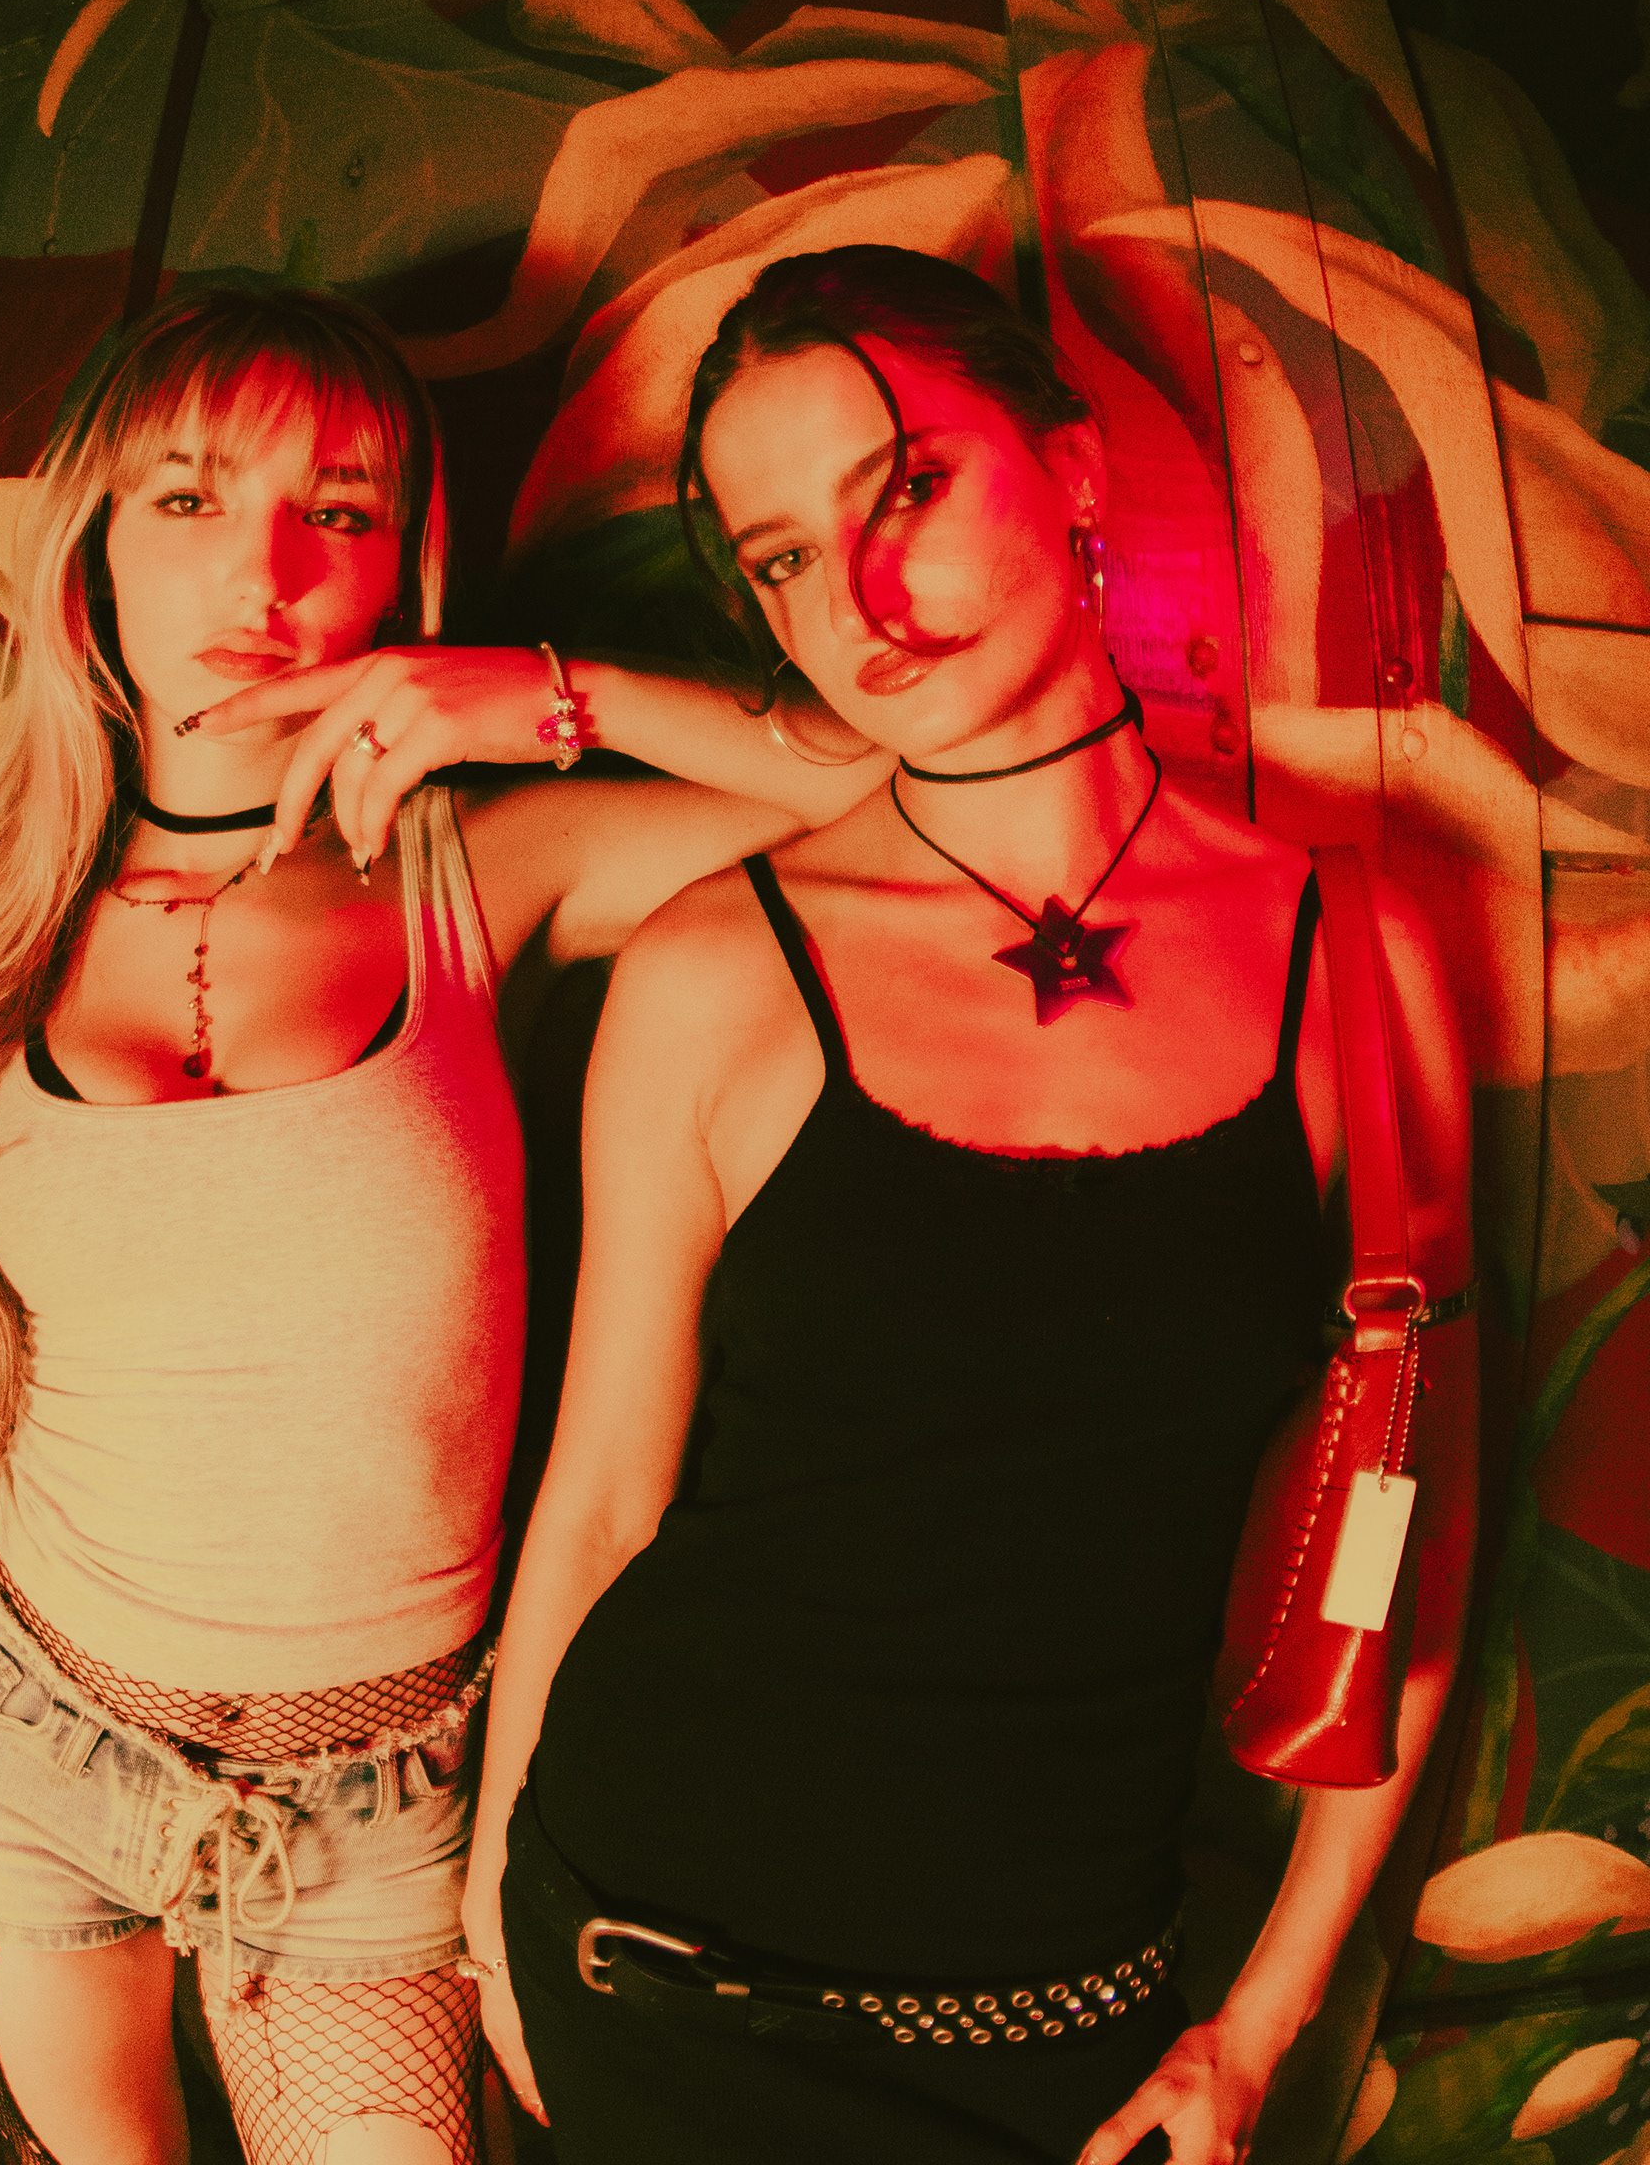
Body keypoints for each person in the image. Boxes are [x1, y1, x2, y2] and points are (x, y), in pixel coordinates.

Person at [0, 283, 893, 2165]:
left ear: (401, 566)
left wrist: (531, 695)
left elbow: (905, 782)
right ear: (93, 560)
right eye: (192, 499)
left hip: (367, 1816)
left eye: (341, 511)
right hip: (15, 1729)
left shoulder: (485, 870)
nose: (269, 570)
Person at [461, 246, 1477, 2165]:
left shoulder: (1355, 964)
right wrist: (493, 1912)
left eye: (906, 486)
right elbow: (599, 1498)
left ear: (1076, 470)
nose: (856, 597)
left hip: (1059, 2033)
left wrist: (1258, 2029)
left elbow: (1409, 1544)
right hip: (642, 1959)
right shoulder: (715, 969)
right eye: (781, 557)